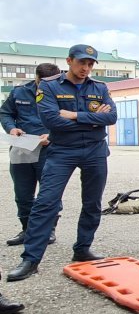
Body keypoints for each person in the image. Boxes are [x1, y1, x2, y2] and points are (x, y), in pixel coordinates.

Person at [7, 45, 116, 282]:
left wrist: (75, 115)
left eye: (90, 64)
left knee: (92, 203)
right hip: (63, 151)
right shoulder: (49, 86)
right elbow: (51, 121)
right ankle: (31, 259)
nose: (85, 68)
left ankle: (82, 248)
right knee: (45, 203)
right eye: (81, 63)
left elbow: (111, 117)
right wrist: (93, 120)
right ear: (69, 61)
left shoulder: (100, 87)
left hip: (95, 151)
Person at [1, 63, 61, 247]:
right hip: (22, 148)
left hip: (49, 150)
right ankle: (27, 230)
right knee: (22, 193)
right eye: (42, 82)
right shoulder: (19, 92)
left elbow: (69, 119)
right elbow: (5, 113)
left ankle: (48, 231)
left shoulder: (64, 93)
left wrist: (53, 135)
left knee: (49, 194)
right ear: (36, 78)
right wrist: (12, 129)